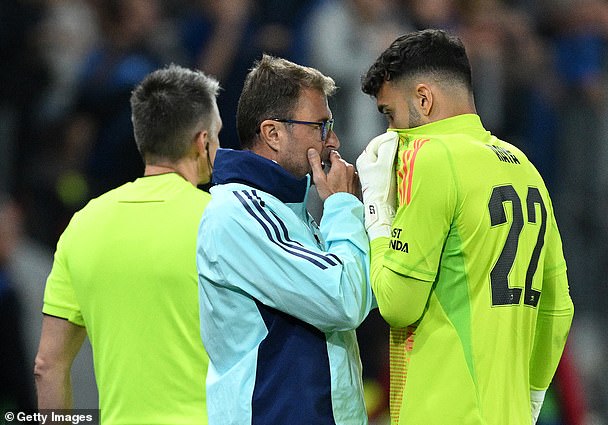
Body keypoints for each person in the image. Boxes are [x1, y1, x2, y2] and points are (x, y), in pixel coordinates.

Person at [355, 29, 574, 425]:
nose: (390, 133)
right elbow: (558, 308)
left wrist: (376, 210)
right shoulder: (525, 167)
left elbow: (397, 303)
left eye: (390, 114)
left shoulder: (433, 159)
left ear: (424, 99)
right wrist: (531, 399)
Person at [34, 64, 222, 425]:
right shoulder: (223, 220)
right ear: (202, 143)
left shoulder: (83, 225)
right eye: (217, 136)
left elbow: (47, 365)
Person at [196, 54, 374, 425]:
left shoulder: (289, 209)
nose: (334, 140)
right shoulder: (239, 213)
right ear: (273, 133)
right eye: (321, 126)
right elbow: (343, 299)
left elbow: (363, 291)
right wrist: (343, 206)